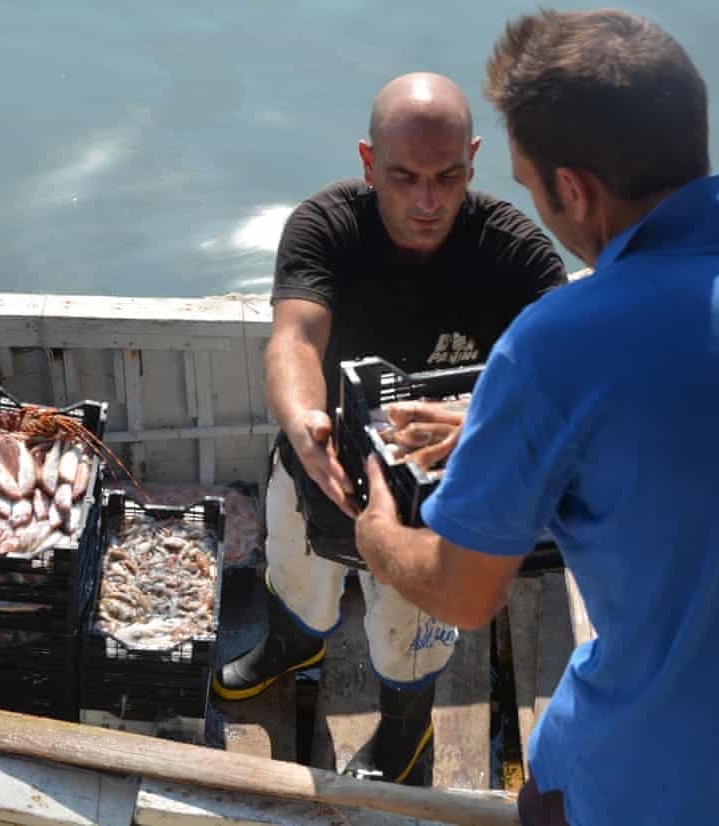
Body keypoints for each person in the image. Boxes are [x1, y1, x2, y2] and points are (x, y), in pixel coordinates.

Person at [354, 9, 719, 824]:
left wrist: (378, 537)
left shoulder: (555, 348)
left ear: (572, 188)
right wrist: (508, 431)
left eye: (528, 182)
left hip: (668, 782)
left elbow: (465, 596)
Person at [212, 72, 566, 786]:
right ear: (370, 163)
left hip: (433, 507)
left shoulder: (517, 253)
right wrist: (305, 420)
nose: (428, 201)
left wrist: (483, 422)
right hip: (323, 466)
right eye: (404, 177)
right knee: (294, 571)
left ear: (472, 159)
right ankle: (291, 643)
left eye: (448, 176)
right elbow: (295, 341)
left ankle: (404, 731)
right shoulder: (326, 225)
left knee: (411, 642)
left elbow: (564, 376)